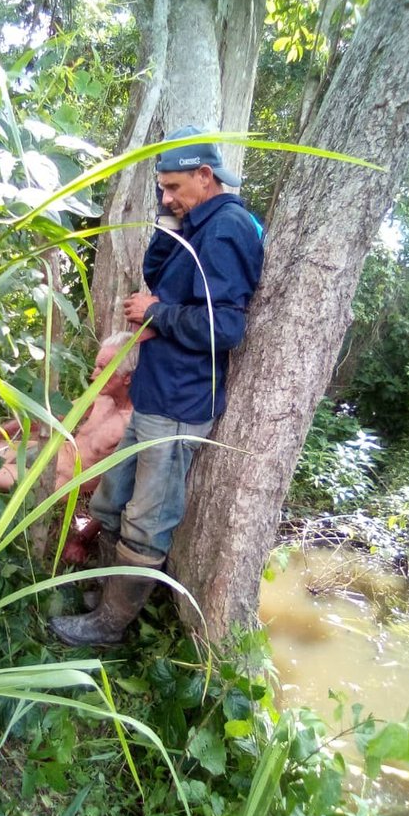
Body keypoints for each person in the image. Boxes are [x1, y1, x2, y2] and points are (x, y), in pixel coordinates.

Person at [50, 125, 265, 646]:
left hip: (179, 403)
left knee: (147, 519)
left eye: (172, 188)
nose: (165, 197)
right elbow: (157, 269)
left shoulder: (227, 229)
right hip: (154, 391)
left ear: (205, 175)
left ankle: (110, 627)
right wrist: (168, 217)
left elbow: (226, 329)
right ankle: (101, 591)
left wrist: (157, 313)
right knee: (113, 498)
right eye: (160, 189)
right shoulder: (193, 222)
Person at [0, 332, 137, 495]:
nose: (94, 375)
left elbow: (125, 484)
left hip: (57, 481)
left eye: (103, 369)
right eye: (96, 366)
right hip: (46, 451)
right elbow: (47, 418)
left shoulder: (133, 424)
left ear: (127, 378)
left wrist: (98, 518)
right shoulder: (100, 397)